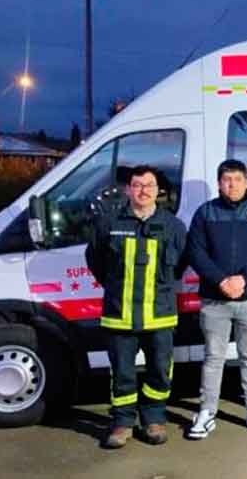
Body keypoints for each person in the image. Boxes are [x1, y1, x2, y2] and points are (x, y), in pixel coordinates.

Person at [85, 165, 187, 449]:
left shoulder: (173, 226)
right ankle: (122, 423)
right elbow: (96, 260)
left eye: (149, 185)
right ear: (128, 189)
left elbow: (180, 265)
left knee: (159, 370)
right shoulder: (108, 222)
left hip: (160, 316)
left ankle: (154, 419)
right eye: (137, 184)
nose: (143, 190)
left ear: (158, 191)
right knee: (122, 373)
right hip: (120, 316)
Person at [185, 159, 247, 439]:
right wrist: (221, 280)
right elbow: (196, 253)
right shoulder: (206, 213)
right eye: (226, 179)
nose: (232, 184)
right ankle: (207, 412)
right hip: (215, 301)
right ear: (219, 183)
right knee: (214, 357)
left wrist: (243, 279)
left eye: (238, 179)